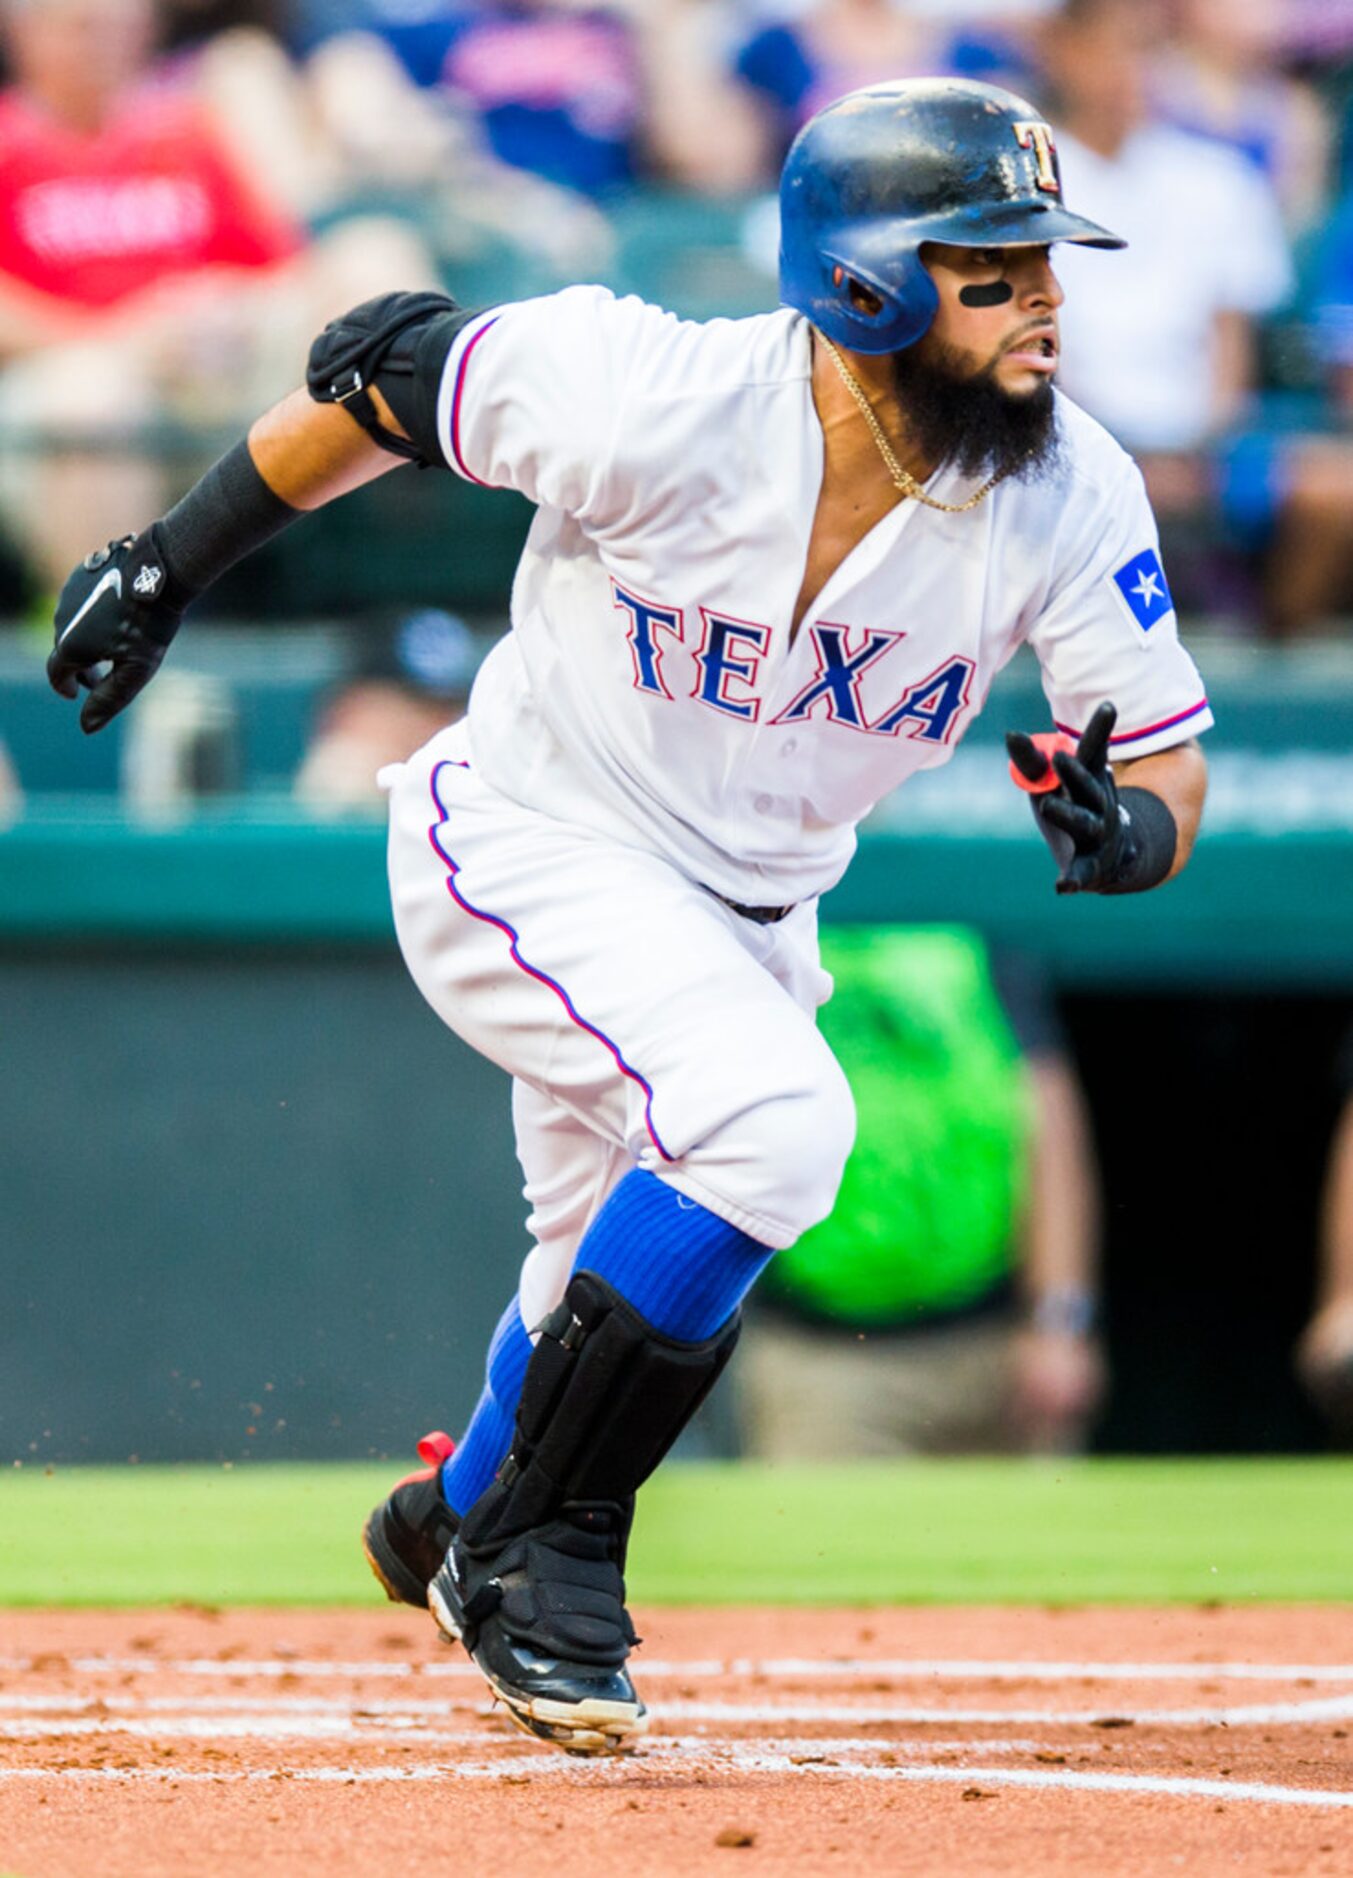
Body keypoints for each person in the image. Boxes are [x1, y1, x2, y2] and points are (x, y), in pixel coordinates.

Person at [46, 78, 1211, 1758]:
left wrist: (1134, 841)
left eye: (1043, 262)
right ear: (868, 278)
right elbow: (384, 384)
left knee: (594, 1258)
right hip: (526, 832)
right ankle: (544, 1550)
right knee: (771, 1116)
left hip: (746, 912)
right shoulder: (654, 392)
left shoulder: (1065, 487)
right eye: (993, 263)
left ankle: (459, 1512)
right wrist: (165, 564)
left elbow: (1165, 765)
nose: (1043, 299)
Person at [737, 927, 1104, 1460]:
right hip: (820, 1357)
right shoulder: (763, 925)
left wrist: (1058, 1325)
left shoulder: (971, 932)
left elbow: (1050, 1136)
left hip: (995, 1346)